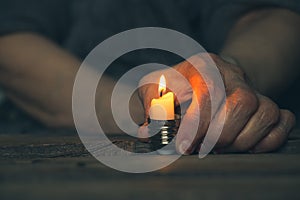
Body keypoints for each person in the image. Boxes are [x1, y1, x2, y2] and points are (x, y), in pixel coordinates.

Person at [0, 0, 299, 154]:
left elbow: (275, 16)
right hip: (60, 145)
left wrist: (230, 75)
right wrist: (132, 105)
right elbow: (11, 42)